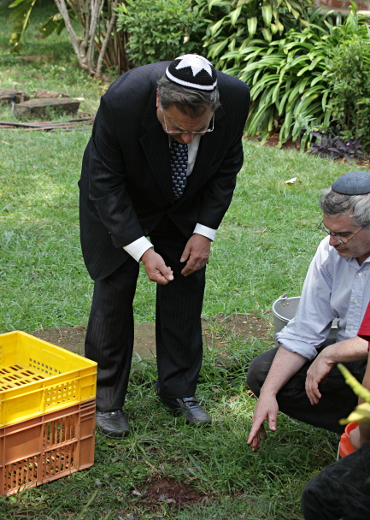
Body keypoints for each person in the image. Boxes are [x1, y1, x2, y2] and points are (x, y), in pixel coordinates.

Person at [78, 54, 250, 438]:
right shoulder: (122, 100)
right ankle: (105, 401)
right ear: (158, 101)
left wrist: (205, 231)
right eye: (176, 128)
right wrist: (141, 249)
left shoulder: (236, 98)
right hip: (120, 195)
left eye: (198, 130)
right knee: (114, 285)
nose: (187, 138)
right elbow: (104, 183)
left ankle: (178, 392)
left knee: (186, 281)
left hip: (186, 199)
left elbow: (226, 166)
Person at [247, 170, 370, 451]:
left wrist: (330, 353)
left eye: (343, 234)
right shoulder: (329, 252)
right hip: (349, 356)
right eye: (328, 231)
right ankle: (355, 426)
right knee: (263, 375)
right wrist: (267, 394)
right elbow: (305, 329)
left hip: (363, 357)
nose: (332, 241)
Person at [301, 300, 370, 520]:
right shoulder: (326, 264)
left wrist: (362, 439)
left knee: (321, 497)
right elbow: (303, 328)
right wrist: (268, 392)